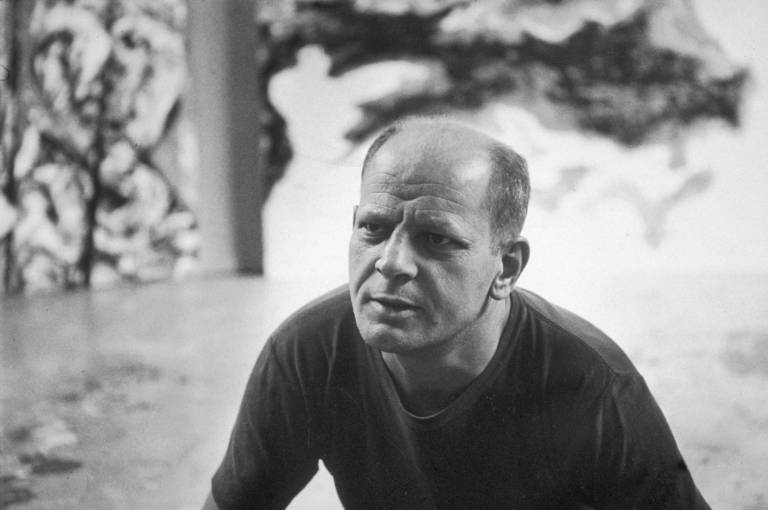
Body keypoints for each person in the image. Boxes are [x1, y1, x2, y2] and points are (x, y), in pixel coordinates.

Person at [203, 117, 710, 509]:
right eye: (374, 228)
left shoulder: (592, 382)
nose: (392, 262)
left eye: (437, 239)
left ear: (506, 267)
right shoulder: (306, 352)